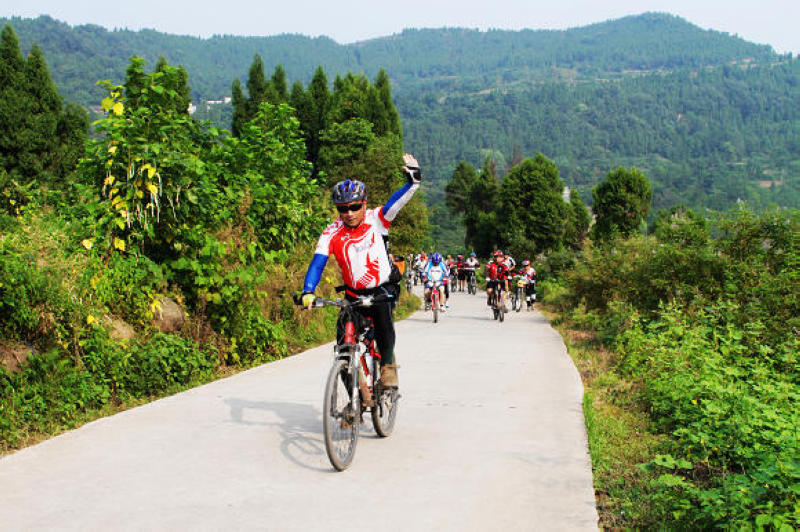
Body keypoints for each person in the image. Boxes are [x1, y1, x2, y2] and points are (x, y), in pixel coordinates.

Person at [300, 153, 422, 388]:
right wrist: (308, 290)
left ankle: (387, 366)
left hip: (382, 289)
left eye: (354, 207)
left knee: (384, 326)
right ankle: (353, 400)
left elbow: (397, 201)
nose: (349, 213)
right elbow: (317, 263)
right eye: (343, 208)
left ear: (364, 204)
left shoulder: (377, 219)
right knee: (343, 348)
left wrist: (413, 181)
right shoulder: (331, 232)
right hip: (353, 294)